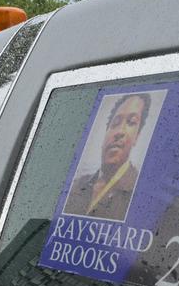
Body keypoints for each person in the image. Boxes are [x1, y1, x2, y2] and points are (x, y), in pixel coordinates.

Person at [63, 92, 151, 221]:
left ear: (137, 137)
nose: (120, 131)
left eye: (131, 122)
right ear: (106, 132)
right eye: (115, 123)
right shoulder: (76, 185)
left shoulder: (141, 194)